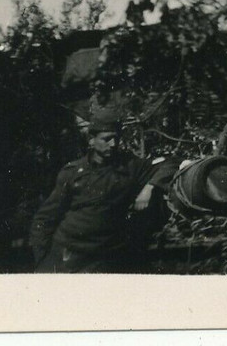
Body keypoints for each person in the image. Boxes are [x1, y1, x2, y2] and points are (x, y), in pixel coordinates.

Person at [29, 110, 179, 273]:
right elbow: (45, 218)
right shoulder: (72, 172)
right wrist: (42, 259)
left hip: (104, 256)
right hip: (68, 253)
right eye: (106, 139)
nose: (113, 144)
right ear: (91, 140)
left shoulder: (129, 166)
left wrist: (150, 187)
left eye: (116, 138)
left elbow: (171, 164)